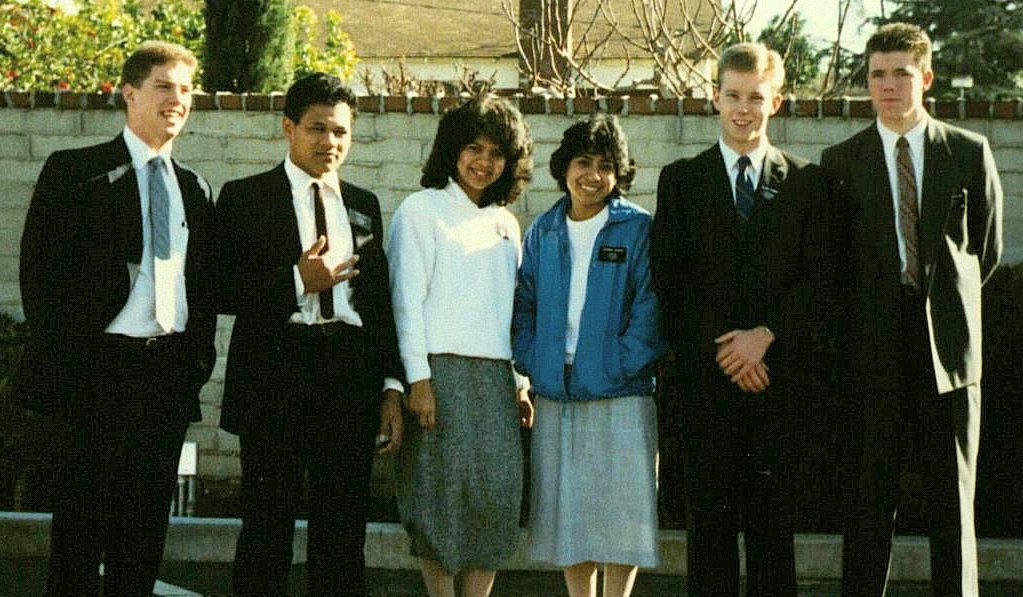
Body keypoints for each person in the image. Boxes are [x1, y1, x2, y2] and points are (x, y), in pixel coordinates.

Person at [15, 41, 216, 596]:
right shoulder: (75, 172)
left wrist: (193, 365)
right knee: (79, 534)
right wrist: (74, 369)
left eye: (185, 90)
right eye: (163, 87)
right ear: (130, 94)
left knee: (143, 538)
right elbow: (41, 279)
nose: (177, 100)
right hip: (94, 378)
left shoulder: (194, 188)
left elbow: (200, 289)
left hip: (164, 380)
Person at [821, 23, 1002, 596]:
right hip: (872, 358)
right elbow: (835, 263)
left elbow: (985, 251)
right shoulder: (840, 161)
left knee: (953, 507)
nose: (889, 85)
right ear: (867, 84)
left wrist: (943, 310)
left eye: (901, 72)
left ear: (925, 77)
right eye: (877, 74)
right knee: (868, 509)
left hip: (947, 356)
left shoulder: (968, 152)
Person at [650, 42, 834, 595]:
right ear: (714, 98)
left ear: (776, 101)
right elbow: (670, 280)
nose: (743, 109)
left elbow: (820, 279)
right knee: (708, 536)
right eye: (733, 95)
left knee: (773, 535)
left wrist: (765, 337)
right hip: (706, 386)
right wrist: (727, 351)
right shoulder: (681, 180)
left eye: (756, 97)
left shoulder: (807, 183)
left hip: (778, 384)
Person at [217, 73, 404, 597]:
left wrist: (391, 386)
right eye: (318, 129)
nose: (330, 142)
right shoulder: (245, 197)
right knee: (265, 529)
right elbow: (220, 289)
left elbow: (380, 304)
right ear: (289, 129)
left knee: (343, 532)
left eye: (341, 131)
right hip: (274, 375)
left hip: (348, 376)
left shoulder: (364, 205)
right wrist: (299, 280)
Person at [512, 114, 665, 597]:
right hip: (558, 391)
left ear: (619, 173)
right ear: (564, 167)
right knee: (569, 513)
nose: (592, 176)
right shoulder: (544, 230)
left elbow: (652, 311)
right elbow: (524, 306)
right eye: (583, 163)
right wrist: (538, 364)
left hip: (621, 391)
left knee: (623, 513)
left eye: (605, 166)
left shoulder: (638, 229)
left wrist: (614, 367)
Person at [388, 95, 534, 597]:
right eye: (474, 148)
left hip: (495, 381)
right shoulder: (420, 211)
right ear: (452, 150)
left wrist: (518, 381)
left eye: (497, 152)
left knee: (493, 503)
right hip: (438, 376)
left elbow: (511, 311)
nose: (484, 162)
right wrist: (418, 380)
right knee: (438, 503)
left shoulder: (505, 223)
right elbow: (405, 303)